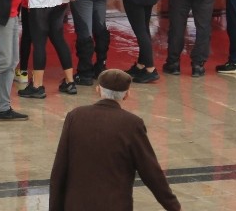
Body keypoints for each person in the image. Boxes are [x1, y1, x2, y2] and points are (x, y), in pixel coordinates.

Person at [49, 69, 181, 211]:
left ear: (98, 90)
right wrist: (173, 206)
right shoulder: (132, 124)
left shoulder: (75, 116)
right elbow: (150, 171)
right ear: (127, 95)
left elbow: (59, 169)